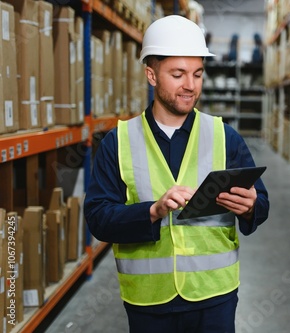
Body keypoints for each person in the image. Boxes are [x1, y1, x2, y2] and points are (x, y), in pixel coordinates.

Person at [84, 15, 269, 333]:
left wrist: (252, 206)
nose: (190, 85)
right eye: (178, 74)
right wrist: (153, 211)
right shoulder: (119, 141)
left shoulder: (224, 136)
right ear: (151, 75)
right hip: (149, 302)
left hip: (214, 295)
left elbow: (261, 202)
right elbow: (99, 218)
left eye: (198, 74)